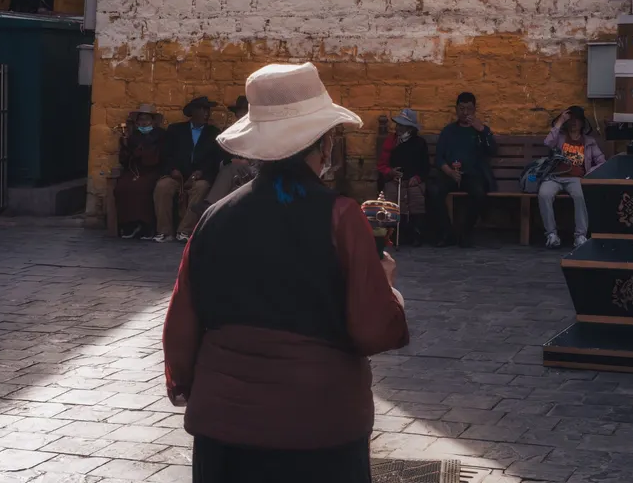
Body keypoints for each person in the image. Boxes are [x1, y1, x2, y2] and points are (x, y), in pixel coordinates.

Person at [163, 63, 409, 483]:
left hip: (223, 428)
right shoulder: (341, 216)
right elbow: (373, 329)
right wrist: (388, 290)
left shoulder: (214, 217)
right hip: (318, 425)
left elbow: (181, 322)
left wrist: (186, 384)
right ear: (325, 144)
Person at [432, 92, 498, 247]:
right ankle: (447, 233)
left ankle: (465, 233)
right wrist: (449, 172)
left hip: (472, 174)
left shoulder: (480, 131)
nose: (465, 112)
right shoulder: (449, 131)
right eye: (461, 108)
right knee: (434, 191)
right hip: (450, 173)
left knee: (479, 193)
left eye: (469, 109)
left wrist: (482, 129)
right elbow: (439, 158)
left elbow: (492, 150)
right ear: (456, 109)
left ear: (474, 110)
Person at [153, 96, 222, 243]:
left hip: (199, 176)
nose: (206, 113)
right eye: (202, 109)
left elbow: (214, 159)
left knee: (201, 187)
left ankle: (185, 230)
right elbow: (166, 153)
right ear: (193, 112)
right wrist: (172, 169)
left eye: (207, 110)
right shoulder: (175, 130)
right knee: (162, 187)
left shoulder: (213, 132)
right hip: (176, 174)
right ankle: (164, 231)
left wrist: (200, 172)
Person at [539, 106, 606, 249]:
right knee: (544, 194)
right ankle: (551, 235)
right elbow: (548, 143)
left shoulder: (589, 141)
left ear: (582, 123)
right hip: (555, 176)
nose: (574, 122)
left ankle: (580, 236)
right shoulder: (560, 137)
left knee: (580, 196)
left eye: (577, 120)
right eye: (571, 119)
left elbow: (602, 161)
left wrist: (588, 174)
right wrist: (559, 121)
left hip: (576, 178)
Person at [189, 96, 258, 219]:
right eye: (238, 113)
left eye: (243, 112)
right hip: (235, 172)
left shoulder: (258, 131)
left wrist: (245, 162)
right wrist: (231, 160)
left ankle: (209, 205)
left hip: (255, 169)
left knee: (230, 170)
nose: (240, 116)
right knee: (230, 176)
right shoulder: (231, 132)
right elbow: (221, 157)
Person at [376, 108, 430, 246]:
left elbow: (425, 167)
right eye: (398, 124)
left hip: (414, 180)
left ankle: (416, 233)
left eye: (402, 125)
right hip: (395, 179)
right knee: (393, 194)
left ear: (410, 128)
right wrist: (390, 172)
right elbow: (382, 165)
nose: (398, 128)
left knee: (415, 196)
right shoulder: (391, 141)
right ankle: (394, 233)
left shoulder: (420, 143)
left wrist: (417, 178)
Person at [113, 104, 165, 239]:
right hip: (134, 170)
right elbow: (125, 159)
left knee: (142, 188)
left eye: (147, 119)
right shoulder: (133, 136)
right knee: (122, 187)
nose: (144, 122)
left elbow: (159, 157)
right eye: (141, 119)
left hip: (152, 170)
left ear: (153, 121)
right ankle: (129, 225)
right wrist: (125, 145)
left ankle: (146, 225)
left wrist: (142, 152)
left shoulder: (160, 135)